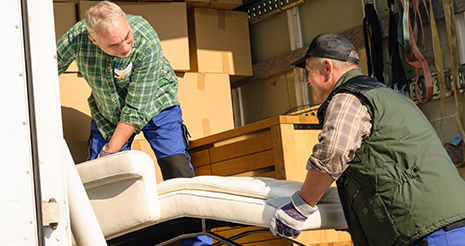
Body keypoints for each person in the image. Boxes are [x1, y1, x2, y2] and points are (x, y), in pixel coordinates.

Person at [270, 33, 465, 246]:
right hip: (450, 222)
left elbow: (333, 152)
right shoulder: (391, 96)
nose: (307, 82)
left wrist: (302, 205)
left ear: (327, 68)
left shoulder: (349, 97)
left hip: (426, 232)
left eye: (308, 73)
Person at [56, 1, 213, 245]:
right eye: (115, 45)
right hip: (107, 112)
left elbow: (136, 109)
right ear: (94, 40)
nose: (126, 47)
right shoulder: (76, 38)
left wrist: (110, 151)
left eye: (127, 38)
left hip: (156, 102)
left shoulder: (145, 38)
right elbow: (43, 69)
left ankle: (197, 244)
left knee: (176, 169)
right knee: (100, 182)